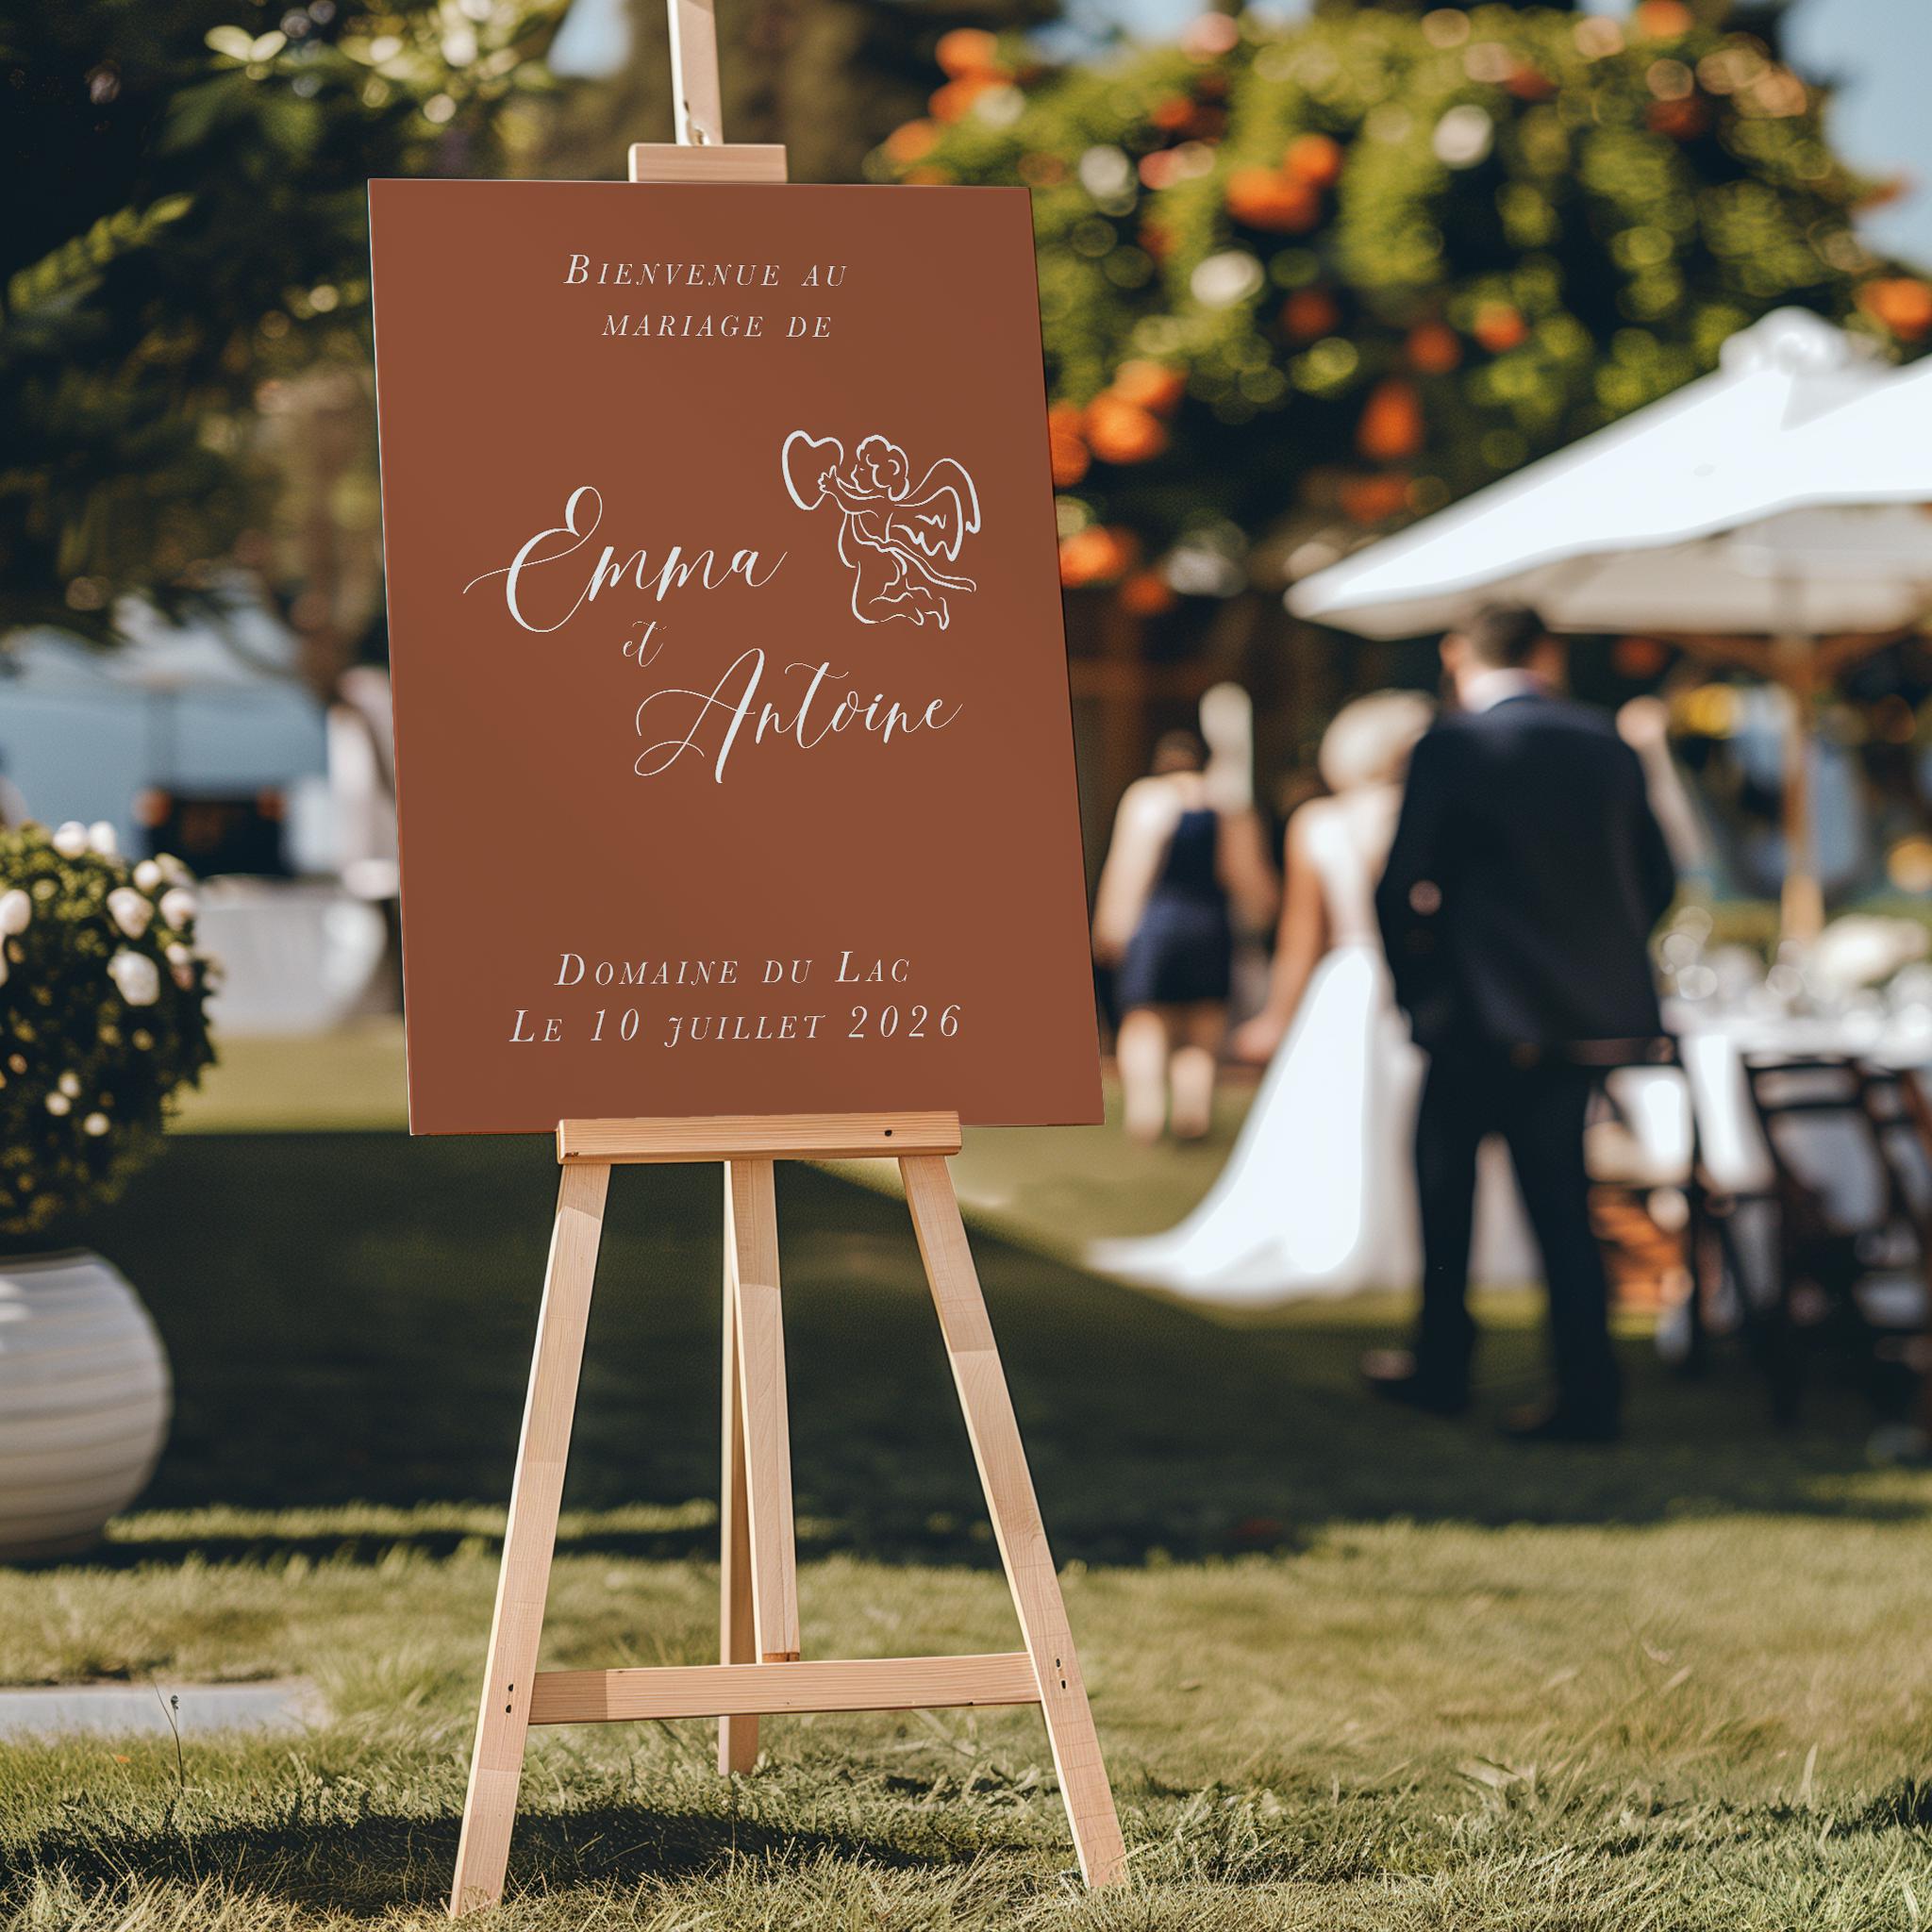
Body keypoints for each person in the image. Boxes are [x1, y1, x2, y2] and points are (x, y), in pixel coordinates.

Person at [1087, 692, 1536, 1298]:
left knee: (1334, 1117)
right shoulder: (1451, 816)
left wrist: (1278, 1013)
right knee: (1433, 1123)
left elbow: (1303, 936)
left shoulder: (1322, 823)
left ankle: (1157, 1115)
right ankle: (1436, 1248)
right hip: (1435, 988)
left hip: (1351, 983)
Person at [1368, 605, 1677, 1443]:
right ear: (1548, 654)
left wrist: (1420, 995)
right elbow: (1656, 876)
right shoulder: (1608, 743)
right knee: (1562, 1205)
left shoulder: (1453, 743)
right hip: (1574, 1021)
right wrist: (1593, 966)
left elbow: (1401, 885)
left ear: (1454, 655)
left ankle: (1442, 1368)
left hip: (1475, 1013)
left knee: (1445, 1192)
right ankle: (1589, 1390)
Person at [1091, 729, 1276, 1141]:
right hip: (1209, 923)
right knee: (1204, 1024)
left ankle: (1148, 1113)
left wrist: (1110, 926)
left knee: (1146, 1021)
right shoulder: (1228, 804)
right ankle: (1193, 1112)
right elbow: (1247, 879)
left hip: (1157, 923)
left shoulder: (1148, 797)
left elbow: (1130, 868)